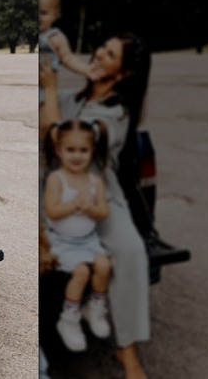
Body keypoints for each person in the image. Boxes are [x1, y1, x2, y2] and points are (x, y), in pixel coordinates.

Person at [40, 32, 151, 379]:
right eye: (101, 48)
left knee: (131, 251)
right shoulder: (75, 99)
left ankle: (127, 350)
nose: (99, 55)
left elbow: (62, 138)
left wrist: (52, 84)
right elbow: (47, 137)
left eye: (110, 54)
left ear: (125, 72)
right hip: (54, 187)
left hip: (97, 189)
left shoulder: (117, 110)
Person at [43, 119, 112, 352]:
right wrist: (73, 204)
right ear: (60, 150)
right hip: (62, 242)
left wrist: (90, 208)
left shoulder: (94, 181)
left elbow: (102, 212)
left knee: (103, 266)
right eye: (71, 150)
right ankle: (69, 318)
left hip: (88, 241)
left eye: (83, 150)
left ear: (92, 151)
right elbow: (52, 211)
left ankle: (94, 306)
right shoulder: (57, 179)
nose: (77, 155)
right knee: (81, 272)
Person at [38, 0, 103, 103]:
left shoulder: (56, 37)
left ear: (55, 14)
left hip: (44, 93)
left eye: (43, 13)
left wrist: (86, 69)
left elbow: (68, 58)